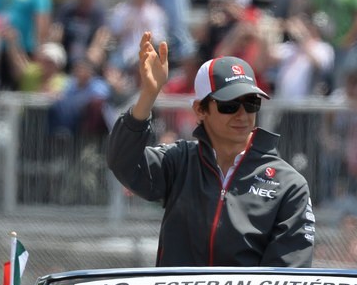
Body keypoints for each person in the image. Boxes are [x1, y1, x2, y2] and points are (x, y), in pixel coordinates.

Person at [106, 33, 315, 268]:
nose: (242, 114)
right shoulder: (179, 161)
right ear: (200, 110)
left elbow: (285, 283)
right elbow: (123, 162)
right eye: (229, 104)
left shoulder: (289, 185)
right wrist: (148, 95)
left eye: (251, 103)